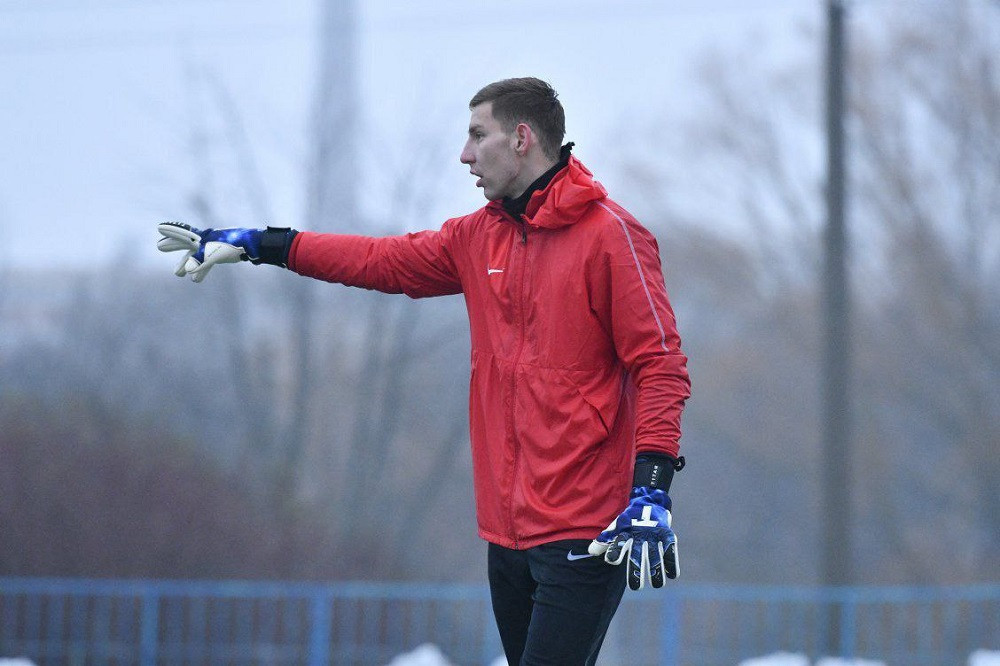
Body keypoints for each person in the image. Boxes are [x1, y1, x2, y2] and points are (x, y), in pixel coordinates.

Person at [157, 77, 690, 666]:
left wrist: (651, 489)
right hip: (506, 534)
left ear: (520, 138)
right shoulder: (475, 237)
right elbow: (378, 261)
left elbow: (660, 364)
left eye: (476, 135)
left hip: (587, 529)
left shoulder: (612, 236)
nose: (464, 155)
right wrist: (265, 243)